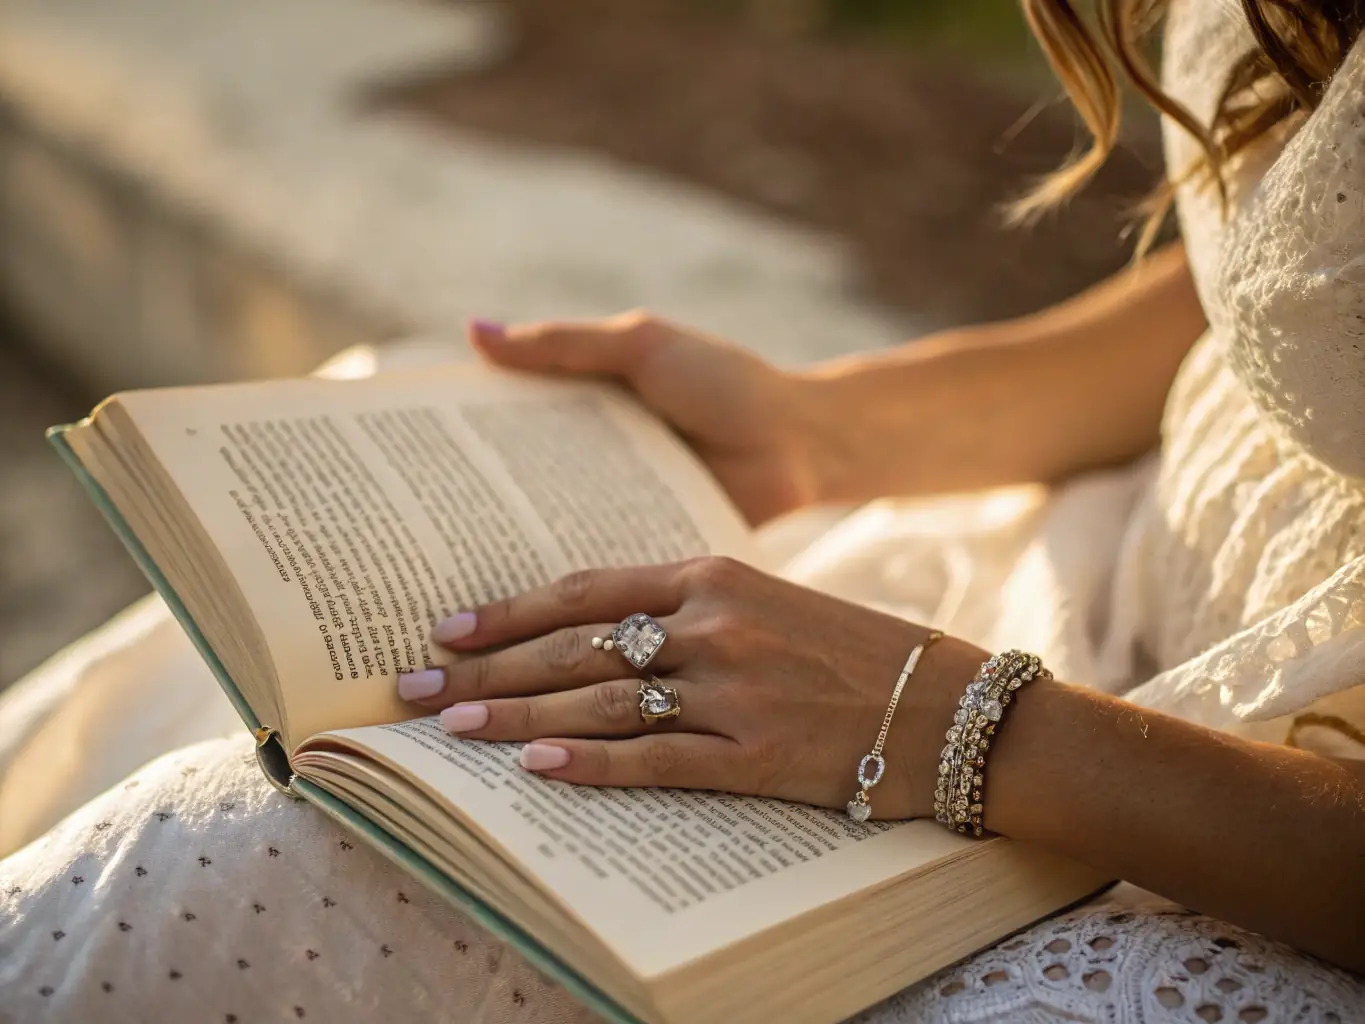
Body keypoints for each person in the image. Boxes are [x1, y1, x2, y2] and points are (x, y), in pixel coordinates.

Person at [2, 1, 1364, 1020]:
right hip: (1121, 570)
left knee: (254, 853)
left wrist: (951, 722)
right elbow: (1254, 275)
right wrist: (820, 430)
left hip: (1242, 832)